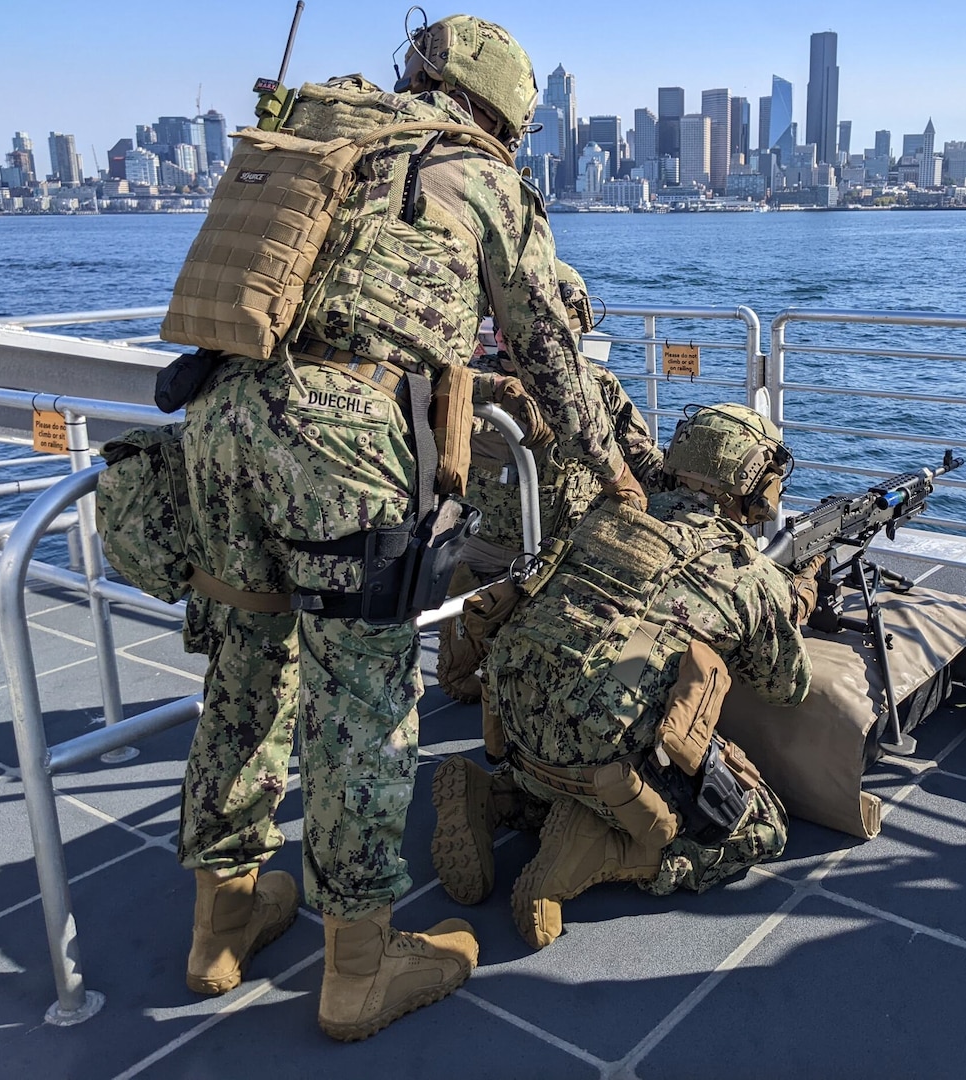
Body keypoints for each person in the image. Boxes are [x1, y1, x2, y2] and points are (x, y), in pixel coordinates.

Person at [176, 12, 645, 1042]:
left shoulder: (324, 136)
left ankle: (222, 924)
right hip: (336, 435)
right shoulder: (471, 172)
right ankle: (357, 967)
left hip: (215, 417)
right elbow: (547, 345)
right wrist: (612, 470)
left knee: (246, 672)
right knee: (358, 698)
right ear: (505, 111)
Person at [431, 403, 818, 948]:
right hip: (602, 763)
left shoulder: (605, 513)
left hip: (517, 727)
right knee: (761, 829)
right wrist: (795, 598)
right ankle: (597, 852)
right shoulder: (748, 573)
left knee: (576, 727)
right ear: (751, 478)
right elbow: (786, 687)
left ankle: (494, 797)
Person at [437, 260, 666, 706]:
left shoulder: (462, 384)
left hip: (533, 564)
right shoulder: (475, 389)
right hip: (517, 570)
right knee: (480, 687)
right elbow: (646, 469)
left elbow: (647, 465)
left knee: (513, 690)